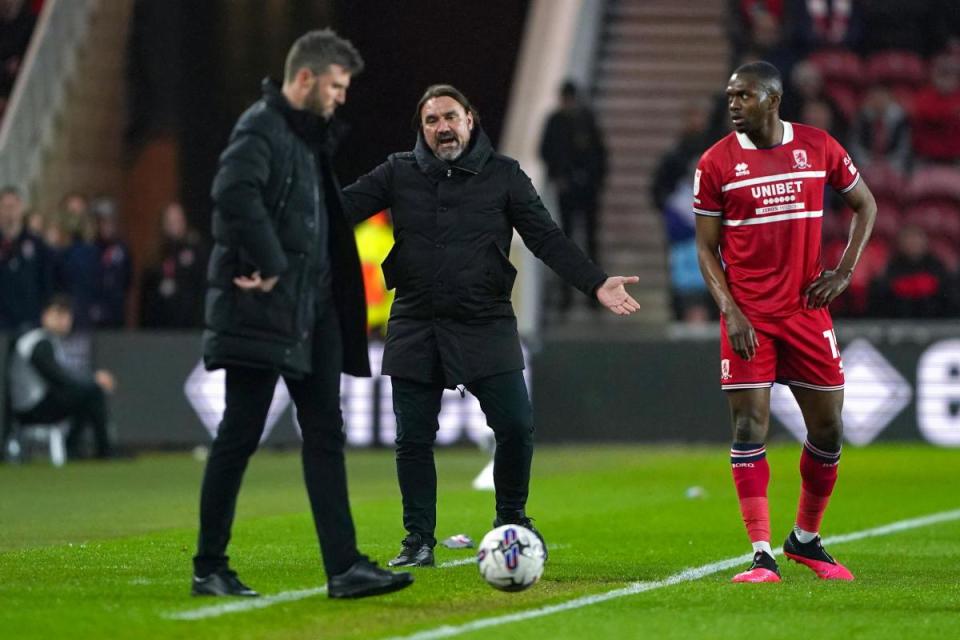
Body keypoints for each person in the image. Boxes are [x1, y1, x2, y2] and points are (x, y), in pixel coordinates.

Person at [342, 84, 640, 568]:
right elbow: (339, 211)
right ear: (422, 128)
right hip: (416, 320)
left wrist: (595, 283)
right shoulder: (397, 171)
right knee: (413, 439)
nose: (442, 128)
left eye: (450, 117)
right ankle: (418, 540)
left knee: (517, 426)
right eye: (431, 120)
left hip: (486, 320)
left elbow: (546, 238)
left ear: (470, 119)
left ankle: (512, 519)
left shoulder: (504, 175)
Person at [194, 29, 412, 599]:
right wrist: (269, 263)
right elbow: (232, 192)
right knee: (240, 433)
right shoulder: (260, 127)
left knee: (325, 435)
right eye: (337, 86)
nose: (342, 97)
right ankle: (208, 566)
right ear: (307, 78)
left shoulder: (305, 137)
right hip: (264, 310)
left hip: (310, 313)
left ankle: (344, 567)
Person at [694, 61, 877, 583]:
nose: (733, 104)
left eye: (744, 96)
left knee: (829, 430)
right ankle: (760, 553)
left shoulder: (819, 146)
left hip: (805, 313)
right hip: (749, 316)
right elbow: (705, 248)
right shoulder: (715, 163)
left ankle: (805, 540)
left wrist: (844, 271)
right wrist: (729, 310)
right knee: (749, 425)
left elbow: (866, 205)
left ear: (773, 100)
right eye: (730, 96)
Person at [7, 295, 117, 459]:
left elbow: (65, 377)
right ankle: (103, 451)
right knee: (91, 392)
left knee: (87, 393)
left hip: (39, 403)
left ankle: (73, 447)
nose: (62, 320)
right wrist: (93, 380)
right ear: (45, 316)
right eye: (57, 314)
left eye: (66, 315)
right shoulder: (38, 341)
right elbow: (57, 377)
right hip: (30, 408)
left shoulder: (51, 341)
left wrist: (89, 382)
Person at [538, 80, 607, 311]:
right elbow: (546, 151)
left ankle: (593, 294)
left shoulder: (586, 121)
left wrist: (594, 181)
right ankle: (566, 296)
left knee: (590, 241)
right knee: (567, 244)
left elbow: (600, 154)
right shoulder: (555, 122)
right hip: (567, 191)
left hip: (587, 191)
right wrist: (559, 177)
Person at [140, 202, 207, 328]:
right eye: (169, 221)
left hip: (187, 325)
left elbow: (201, 289)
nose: (173, 225)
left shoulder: (195, 251)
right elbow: (146, 296)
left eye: (177, 220)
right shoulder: (154, 256)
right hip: (158, 325)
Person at [0, 185, 53, 331]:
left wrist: (46, 309)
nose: (9, 211)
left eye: (13, 206)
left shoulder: (36, 243)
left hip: (31, 320)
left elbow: (46, 279)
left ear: (21, 208)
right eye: (5, 206)